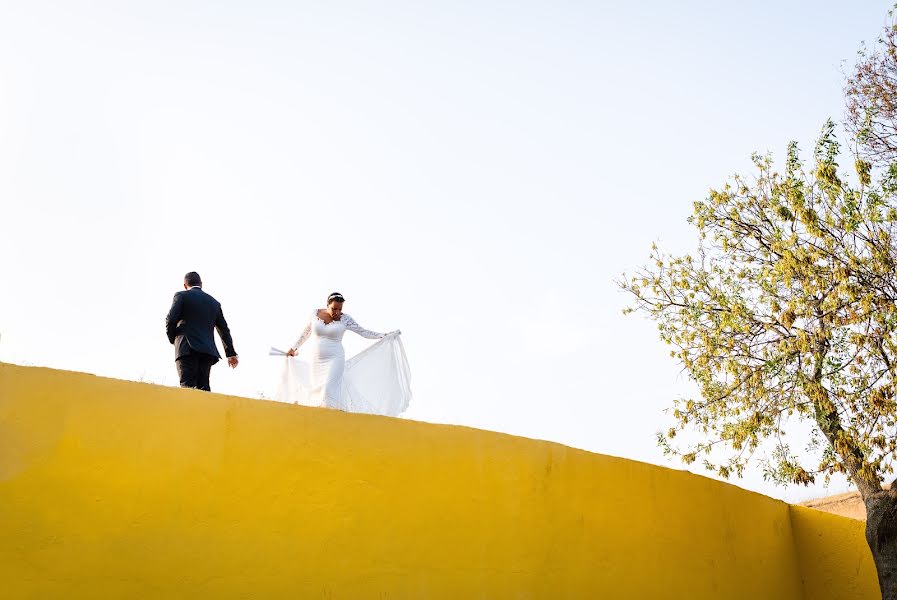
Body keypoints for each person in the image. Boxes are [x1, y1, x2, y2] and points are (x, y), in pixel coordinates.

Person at [284, 292, 405, 411]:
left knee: (328, 389)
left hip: (335, 358)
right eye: (334, 308)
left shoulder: (345, 319)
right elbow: (306, 332)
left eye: (340, 309)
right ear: (327, 305)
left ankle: (331, 417)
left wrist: (384, 335)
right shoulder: (315, 313)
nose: (337, 312)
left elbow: (364, 332)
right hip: (317, 359)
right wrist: (294, 348)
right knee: (317, 390)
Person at [165, 271, 238, 391]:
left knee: (187, 388)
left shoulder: (181, 296)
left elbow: (171, 319)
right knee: (204, 390)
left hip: (186, 348)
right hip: (207, 352)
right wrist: (231, 354)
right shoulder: (214, 303)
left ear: (185, 285)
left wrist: (173, 339)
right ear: (201, 284)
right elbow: (224, 329)